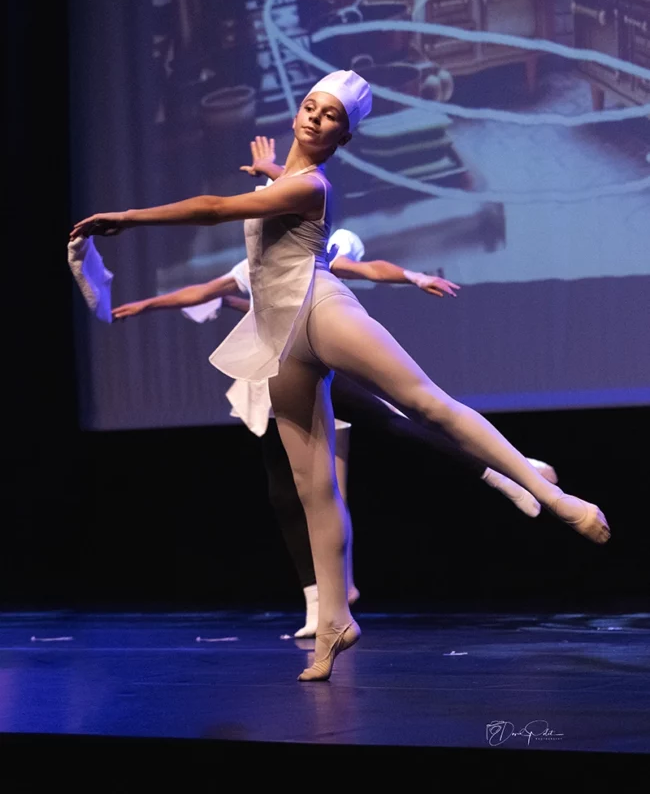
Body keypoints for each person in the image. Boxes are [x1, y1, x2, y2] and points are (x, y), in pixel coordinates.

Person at [72, 69, 610, 682]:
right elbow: (260, 203)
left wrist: (130, 217)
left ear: (343, 136)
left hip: (319, 309)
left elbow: (216, 209)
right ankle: (334, 618)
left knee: (427, 405)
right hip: (276, 335)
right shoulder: (290, 180)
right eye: (310, 106)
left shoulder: (314, 186)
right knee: (312, 488)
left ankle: (550, 494)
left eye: (330, 116)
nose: (314, 117)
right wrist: (273, 170)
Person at [114, 151, 556, 637]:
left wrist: (415, 276)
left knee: (392, 430)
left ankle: (508, 473)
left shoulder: (315, 254)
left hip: (316, 364)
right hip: (275, 376)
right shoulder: (254, 262)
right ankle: (324, 600)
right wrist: (148, 304)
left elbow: (365, 265)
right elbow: (208, 291)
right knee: (293, 491)